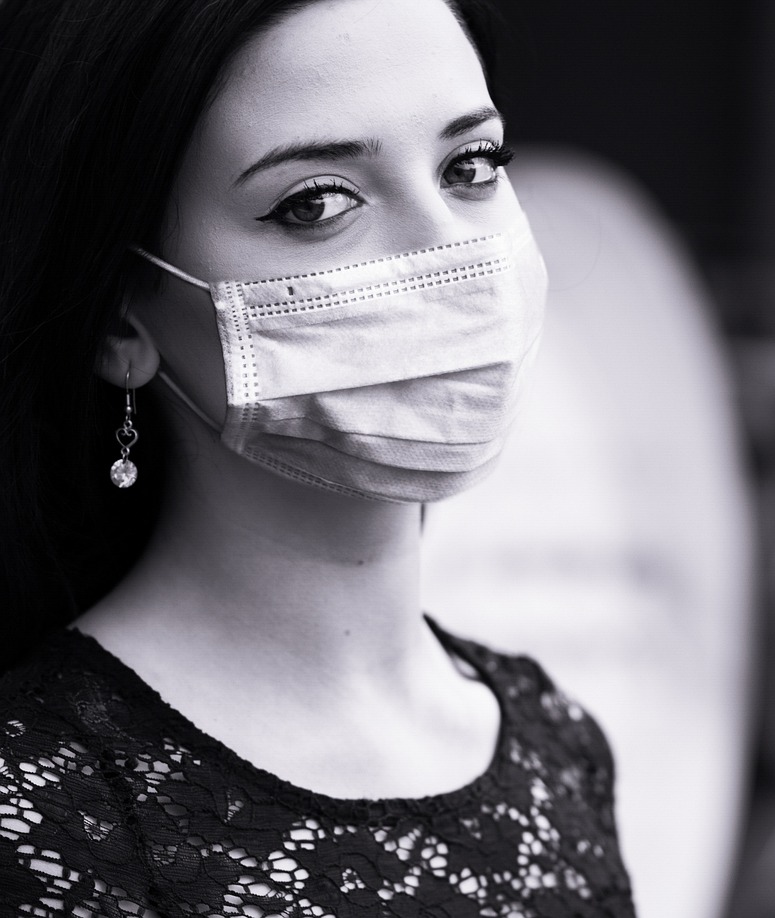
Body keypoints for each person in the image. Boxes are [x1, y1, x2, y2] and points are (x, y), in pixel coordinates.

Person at [0, 0, 636, 914]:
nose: (452, 247)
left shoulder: (559, 747)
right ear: (119, 317)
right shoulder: (44, 804)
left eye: (472, 164)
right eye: (316, 203)